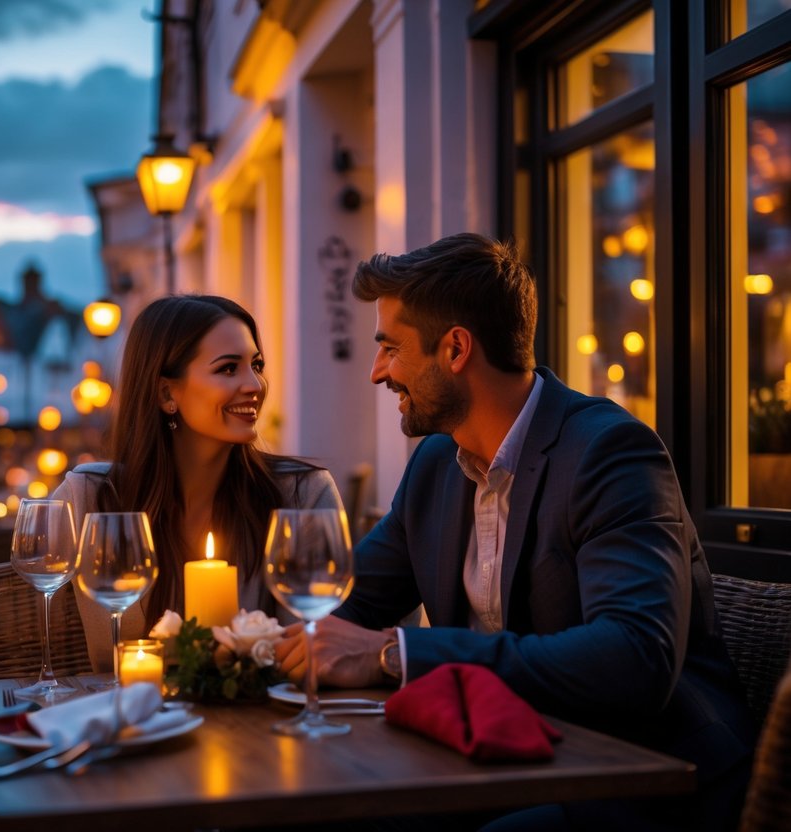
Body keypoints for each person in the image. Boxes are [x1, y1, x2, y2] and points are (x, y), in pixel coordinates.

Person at [275, 233, 756, 831]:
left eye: (391, 348)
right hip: (497, 757)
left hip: (642, 775)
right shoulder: (435, 465)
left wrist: (395, 654)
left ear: (455, 349)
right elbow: (344, 598)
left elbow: (634, 659)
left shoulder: (610, 453)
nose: (378, 372)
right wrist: (233, 645)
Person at [54, 294, 343, 671]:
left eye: (256, 365)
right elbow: (31, 579)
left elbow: (317, 647)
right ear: (166, 394)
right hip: (130, 723)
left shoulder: (302, 496)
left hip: (264, 723)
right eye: (228, 369)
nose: (254, 384)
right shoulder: (90, 499)